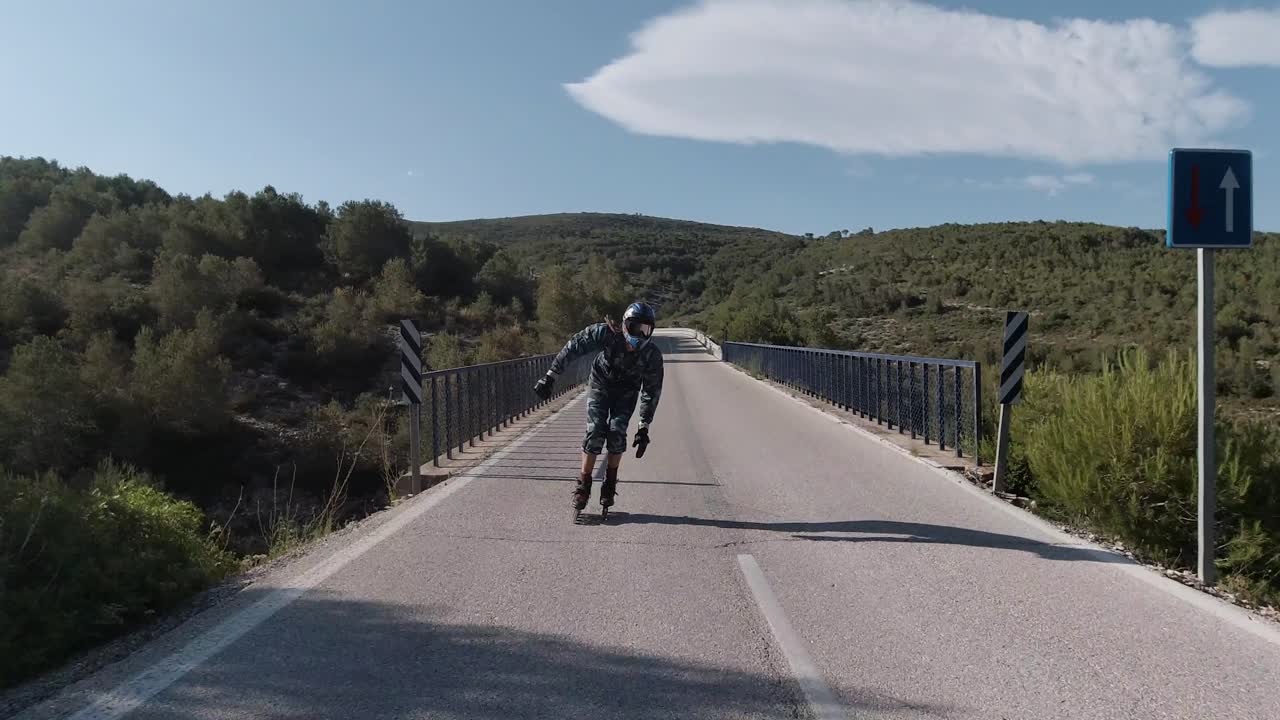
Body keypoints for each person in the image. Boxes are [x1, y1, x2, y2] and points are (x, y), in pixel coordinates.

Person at [533, 302, 664, 518]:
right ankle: (583, 484)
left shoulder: (651, 356)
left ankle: (609, 483)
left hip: (627, 391)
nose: (640, 335)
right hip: (601, 384)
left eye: (646, 330)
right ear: (624, 325)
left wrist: (643, 426)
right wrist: (550, 377)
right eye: (635, 328)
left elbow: (652, 391)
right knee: (595, 431)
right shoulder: (606, 334)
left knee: (617, 432)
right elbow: (574, 346)